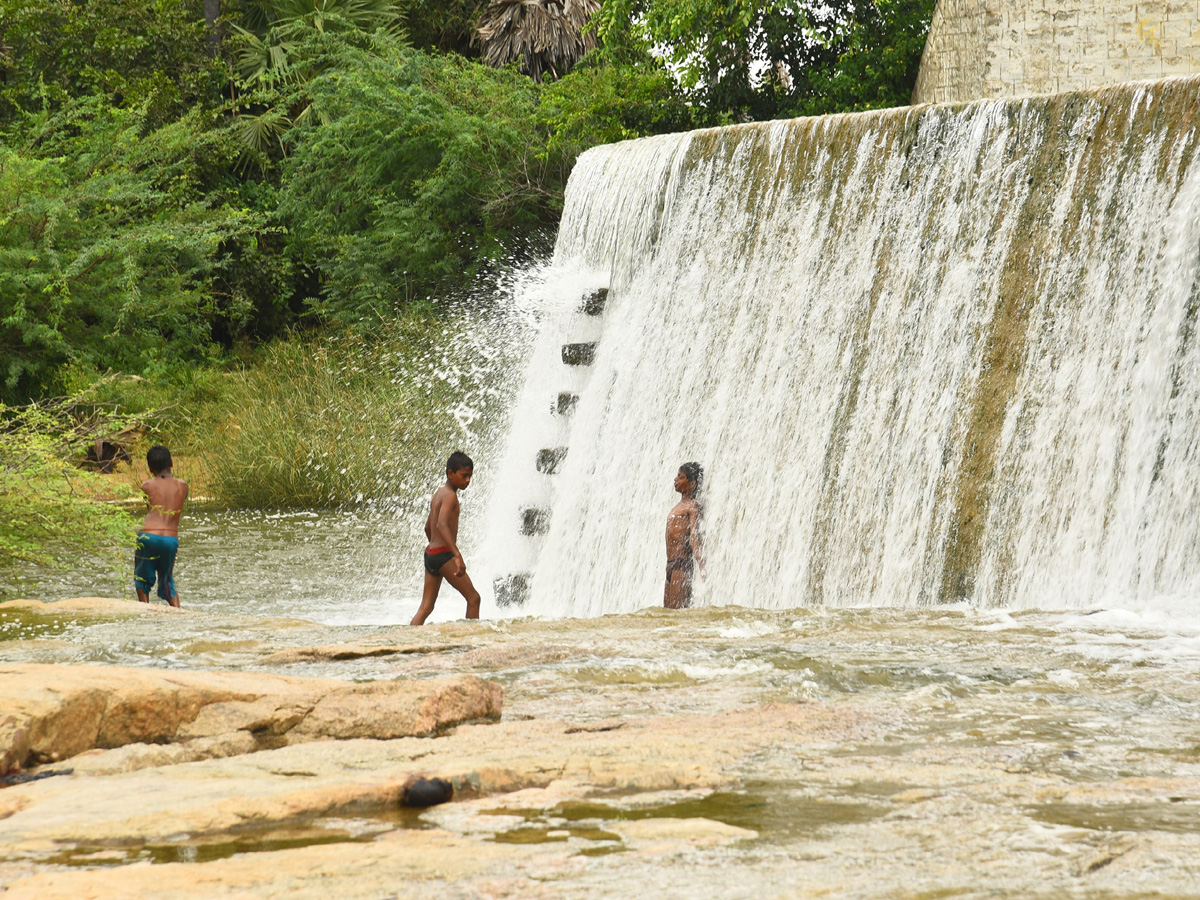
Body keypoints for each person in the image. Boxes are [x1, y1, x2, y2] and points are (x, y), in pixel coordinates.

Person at [411, 451, 482, 625]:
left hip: (431, 554)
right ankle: (470, 642)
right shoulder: (451, 496)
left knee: (425, 608)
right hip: (443, 555)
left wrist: (434, 550)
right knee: (474, 598)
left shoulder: (439, 494)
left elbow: (428, 527)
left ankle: (407, 640)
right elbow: (440, 524)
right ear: (450, 473)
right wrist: (456, 556)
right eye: (464, 476)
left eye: (470, 476)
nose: (468, 481)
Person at [134, 445, 188, 608]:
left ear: (150, 468)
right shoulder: (183, 486)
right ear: (172, 462)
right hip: (170, 539)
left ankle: (146, 609)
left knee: (141, 579)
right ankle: (177, 611)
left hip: (149, 535)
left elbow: (151, 509)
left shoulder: (146, 486)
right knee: (167, 580)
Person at [664, 461, 704, 609]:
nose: (675, 479)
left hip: (682, 564)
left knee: (677, 614)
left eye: (680, 477)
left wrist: (701, 565)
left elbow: (694, 537)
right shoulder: (677, 507)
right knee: (666, 613)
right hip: (670, 564)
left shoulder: (692, 506)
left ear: (692, 483)